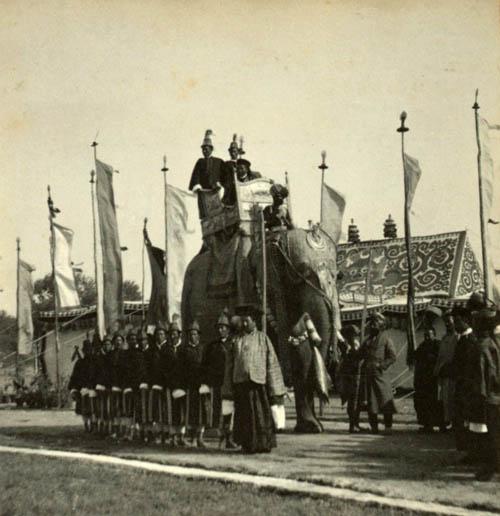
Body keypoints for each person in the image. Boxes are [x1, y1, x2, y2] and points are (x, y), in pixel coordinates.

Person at [223, 304, 286, 453]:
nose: (244, 324)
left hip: (258, 384)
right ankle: (247, 445)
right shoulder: (236, 340)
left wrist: (275, 388)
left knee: (260, 415)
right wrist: (228, 386)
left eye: (248, 321)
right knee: (244, 416)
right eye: (243, 321)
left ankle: (263, 444)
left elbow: (272, 363)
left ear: (254, 322)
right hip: (241, 385)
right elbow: (229, 365)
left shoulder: (263, 339)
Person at [469, 303, 500, 481]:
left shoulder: (482, 346)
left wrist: (480, 396)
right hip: (496, 394)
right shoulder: (495, 342)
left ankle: (492, 470)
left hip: (491, 396)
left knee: (493, 435)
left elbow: (482, 375)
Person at [202, 309, 237, 449]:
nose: (221, 330)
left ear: (228, 329)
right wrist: (206, 382)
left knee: (229, 411)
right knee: (217, 411)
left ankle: (228, 438)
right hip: (216, 384)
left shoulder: (233, 344)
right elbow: (205, 365)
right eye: (219, 327)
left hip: (229, 383)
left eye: (224, 327)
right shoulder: (212, 346)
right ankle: (219, 437)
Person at [359, 312, 397, 435]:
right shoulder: (367, 340)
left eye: (375, 322)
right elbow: (359, 355)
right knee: (371, 403)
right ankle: (374, 427)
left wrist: (381, 365)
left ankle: (388, 427)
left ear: (381, 324)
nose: (372, 325)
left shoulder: (386, 339)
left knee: (385, 400)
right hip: (368, 376)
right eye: (372, 322)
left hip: (381, 376)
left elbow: (392, 357)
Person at [288, 312, 325, 433]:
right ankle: (304, 420)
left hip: (304, 354)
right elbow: (317, 339)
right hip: (298, 355)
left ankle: (307, 419)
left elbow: (316, 338)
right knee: (302, 388)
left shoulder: (304, 317)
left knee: (305, 387)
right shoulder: (301, 318)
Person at [182, 320, 211, 448]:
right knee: (192, 412)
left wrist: (206, 382)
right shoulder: (185, 350)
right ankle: (192, 438)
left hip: (202, 385)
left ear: (199, 335)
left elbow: (208, 367)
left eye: (195, 334)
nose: (193, 336)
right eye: (191, 334)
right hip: (190, 385)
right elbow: (181, 368)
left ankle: (200, 437)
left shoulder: (204, 349)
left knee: (203, 412)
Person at [452, 308, 476, 452]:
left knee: (465, 417)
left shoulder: (470, 340)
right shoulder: (462, 338)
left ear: (465, 321)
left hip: (467, 386)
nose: (455, 324)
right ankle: (463, 447)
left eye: (457, 321)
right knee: (460, 416)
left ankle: (468, 448)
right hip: (461, 384)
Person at [188, 129, 225, 218]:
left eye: (206, 149)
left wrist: (220, 184)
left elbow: (225, 176)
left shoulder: (219, 162)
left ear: (211, 149)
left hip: (216, 192)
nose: (205, 151)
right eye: (203, 149)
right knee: (205, 216)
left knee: (218, 213)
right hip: (204, 193)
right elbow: (195, 175)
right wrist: (197, 185)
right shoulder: (200, 162)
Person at [164, 318, 187, 447]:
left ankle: (181, 436)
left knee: (182, 412)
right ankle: (172, 436)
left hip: (182, 386)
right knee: (172, 412)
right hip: (170, 386)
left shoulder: (184, 349)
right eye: (171, 333)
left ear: (179, 334)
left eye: (175, 333)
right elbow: (163, 369)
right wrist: (170, 382)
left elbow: (186, 368)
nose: (173, 336)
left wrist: (183, 383)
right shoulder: (166, 350)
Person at [339, 324, 366, 433]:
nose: (356, 337)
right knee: (353, 401)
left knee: (358, 401)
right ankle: (352, 424)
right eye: (354, 335)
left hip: (357, 375)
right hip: (351, 376)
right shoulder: (347, 346)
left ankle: (356, 423)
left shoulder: (353, 345)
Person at [434, 312, 457, 432]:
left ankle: (454, 422)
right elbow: (440, 357)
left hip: (453, 373)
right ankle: (446, 421)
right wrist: (437, 371)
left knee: (452, 398)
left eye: (450, 322)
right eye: (446, 322)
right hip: (443, 373)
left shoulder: (457, 337)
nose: (448, 324)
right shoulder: (444, 338)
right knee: (443, 399)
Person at [414, 327, 441, 433]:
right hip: (423, 380)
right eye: (425, 335)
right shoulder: (422, 346)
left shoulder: (437, 345)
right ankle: (426, 425)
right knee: (423, 403)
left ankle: (437, 425)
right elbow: (416, 355)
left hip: (433, 379)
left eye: (429, 335)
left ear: (434, 335)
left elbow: (440, 358)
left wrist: (432, 358)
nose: (427, 337)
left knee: (434, 403)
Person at [68, 338, 95, 431]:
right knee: (84, 408)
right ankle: (86, 424)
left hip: (93, 387)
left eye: (90, 350)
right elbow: (75, 376)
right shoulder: (79, 363)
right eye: (86, 350)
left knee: (93, 408)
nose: (88, 352)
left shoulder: (95, 362)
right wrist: (74, 388)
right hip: (82, 387)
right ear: (83, 351)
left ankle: (92, 423)